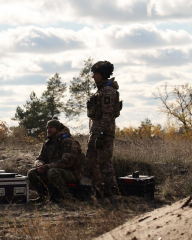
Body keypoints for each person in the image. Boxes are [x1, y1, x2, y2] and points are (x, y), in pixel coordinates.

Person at [85, 60, 122, 197]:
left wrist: (101, 133)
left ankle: (110, 192)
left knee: (104, 162)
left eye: (95, 74)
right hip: (96, 132)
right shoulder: (101, 90)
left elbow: (107, 114)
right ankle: (93, 191)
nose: (93, 76)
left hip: (103, 133)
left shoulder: (108, 91)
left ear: (102, 75)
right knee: (90, 162)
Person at [27, 118, 84, 202]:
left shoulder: (67, 142)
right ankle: (43, 197)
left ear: (57, 129)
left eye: (51, 128)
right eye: (47, 128)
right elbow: (39, 158)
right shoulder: (48, 143)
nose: (48, 130)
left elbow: (67, 162)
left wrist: (46, 167)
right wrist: (39, 165)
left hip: (72, 173)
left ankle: (68, 198)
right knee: (32, 173)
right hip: (53, 170)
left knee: (52, 172)